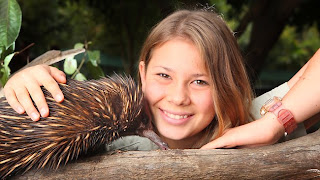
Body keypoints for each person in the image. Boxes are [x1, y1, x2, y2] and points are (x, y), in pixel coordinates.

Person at [3, 9, 320, 150]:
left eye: (200, 82)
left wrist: (273, 123)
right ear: (142, 74)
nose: (178, 97)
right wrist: (18, 89)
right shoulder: (112, 140)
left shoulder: (251, 125)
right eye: (164, 75)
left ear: (226, 86)